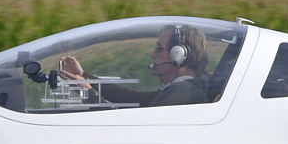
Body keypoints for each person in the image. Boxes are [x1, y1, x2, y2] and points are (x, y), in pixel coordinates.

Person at [58, 24, 210, 107]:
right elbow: (130, 97)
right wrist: (84, 76)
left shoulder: (183, 93)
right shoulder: (181, 88)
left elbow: (134, 132)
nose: (153, 54)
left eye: (158, 49)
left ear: (178, 54)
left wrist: (89, 94)